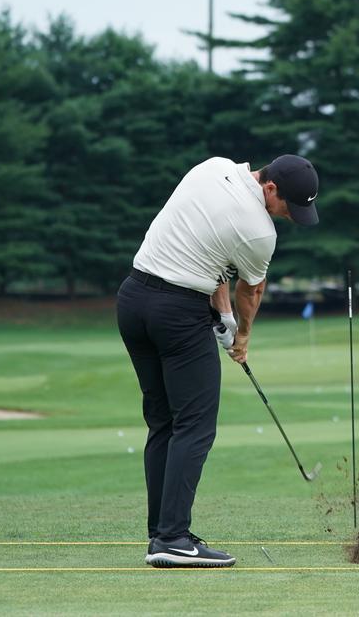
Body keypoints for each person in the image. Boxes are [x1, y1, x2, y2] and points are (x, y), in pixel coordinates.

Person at [116, 154, 319, 568]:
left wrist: (220, 317)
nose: (287, 217)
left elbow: (212, 254)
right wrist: (241, 335)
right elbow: (251, 292)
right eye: (287, 208)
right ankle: (172, 537)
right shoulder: (260, 230)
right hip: (176, 313)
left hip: (133, 299)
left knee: (165, 422)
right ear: (271, 188)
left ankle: (162, 534)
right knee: (195, 425)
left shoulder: (213, 167)